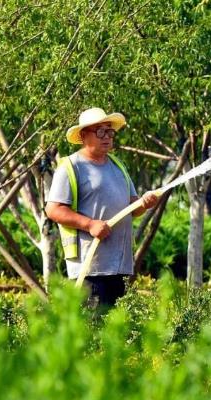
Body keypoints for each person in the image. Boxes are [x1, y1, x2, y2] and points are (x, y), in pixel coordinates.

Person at [45, 108, 159, 313]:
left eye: (109, 131)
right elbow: (53, 210)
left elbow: (133, 208)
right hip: (91, 269)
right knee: (93, 327)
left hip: (120, 266)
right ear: (83, 135)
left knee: (115, 328)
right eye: (100, 131)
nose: (107, 136)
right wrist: (89, 224)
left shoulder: (118, 166)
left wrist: (144, 203)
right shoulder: (71, 167)